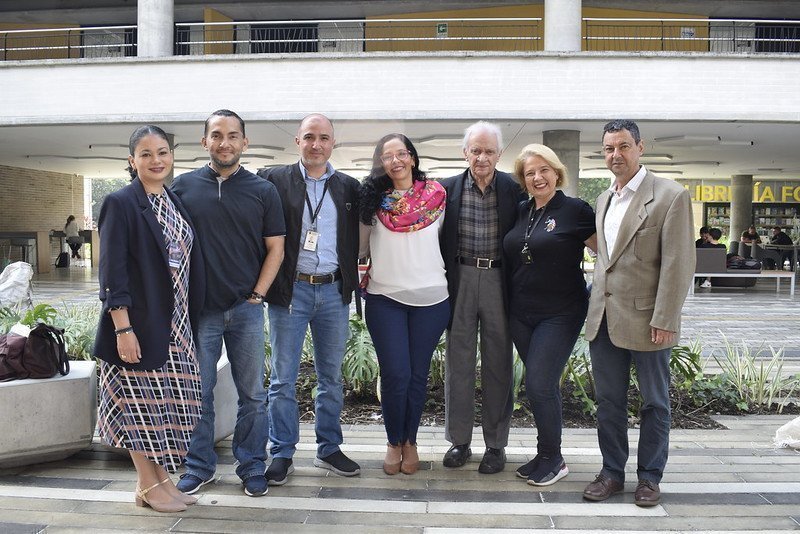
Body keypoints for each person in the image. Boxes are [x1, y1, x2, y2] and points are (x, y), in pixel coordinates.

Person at [172, 109, 286, 497]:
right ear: (204, 141)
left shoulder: (262, 191)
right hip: (200, 310)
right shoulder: (182, 188)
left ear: (244, 143)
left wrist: (258, 295)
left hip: (246, 310)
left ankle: (252, 464)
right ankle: (199, 465)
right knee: (197, 392)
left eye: (233, 135)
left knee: (252, 394)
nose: (225, 142)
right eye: (217, 135)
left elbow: (276, 248)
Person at [93, 125, 206, 513]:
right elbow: (113, 271)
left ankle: (161, 482)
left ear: (171, 156)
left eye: (162, 152)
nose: (156, 160)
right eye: (146, 154)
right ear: (131, 161)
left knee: (166, 404)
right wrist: (123, 328)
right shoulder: (121, 203)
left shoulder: (173, 200)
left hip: (175, 324)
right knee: (140, 406)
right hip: (137, 325)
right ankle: (146, 486)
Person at [583, 120, 694, 507]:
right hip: (604, 321)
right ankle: (612, 472)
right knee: (609, 402)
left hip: (649, 323)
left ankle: (649, 477)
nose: (616, 155)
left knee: (654, 403)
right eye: (609, 148)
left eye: (624, 146)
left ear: (640, 147)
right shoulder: (603, 199)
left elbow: (679, 264)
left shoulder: (670, 196)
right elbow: (606, 261)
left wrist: (665, 318)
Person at [257, 114, 361, 485]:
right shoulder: (274, 180)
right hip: (291, 292)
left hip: (333, 291)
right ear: (297, 141)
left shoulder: (349, 187)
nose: (316, 145)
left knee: (330, 378)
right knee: (283, 380)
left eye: (324, 138)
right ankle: (282, 452)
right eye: (309, 137)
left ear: (333, 144)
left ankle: (329, 448)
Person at [503, 144, 597, 486]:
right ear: (523, 180)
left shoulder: (575, 210)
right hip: (521, 312)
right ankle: (545, 454)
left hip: (560, 312)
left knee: (539, 383)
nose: (538, 177)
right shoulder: (521, 210)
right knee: (543, 386)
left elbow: (608, 253)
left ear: (557, 173)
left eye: (544, 170)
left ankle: (554, 459)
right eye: (530, 173)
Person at [359, 133, 449, 475]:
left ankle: (411, 441)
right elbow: (359, 249)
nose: (395, 160)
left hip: (432, 298)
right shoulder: (373, 201)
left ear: (412, 157)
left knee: (416, 376)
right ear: (381, 163)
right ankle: (393, 441)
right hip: (385, 299)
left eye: (401, 153)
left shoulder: (438, 196)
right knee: (395, 374)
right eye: (387, 156)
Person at [439, 121, 525, 474]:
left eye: (489, 151)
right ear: (465, 152)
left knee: (498, 364)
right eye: (476, 150)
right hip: (459, 279)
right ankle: (460, 441)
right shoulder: (445, 189)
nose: (482, 157)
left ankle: (495, 445)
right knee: (457, 364)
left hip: (498, 281)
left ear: (499, 154)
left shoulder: (514, 189)